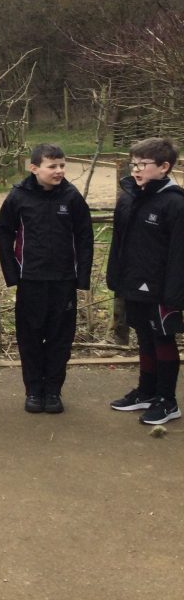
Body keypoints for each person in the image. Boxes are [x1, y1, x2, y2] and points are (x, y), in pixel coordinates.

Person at [0, 143, 93, 414]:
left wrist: (82, 278)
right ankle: (33, 391)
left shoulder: (72, 198)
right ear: (34, 168)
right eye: (52, 166)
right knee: (30, 337)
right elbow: (5, 234)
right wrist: (12, 274)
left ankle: (53, 390)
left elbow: (85, 237)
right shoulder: (18, 197)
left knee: (60, 339)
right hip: (31, 280)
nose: (59, 171)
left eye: (62, 165)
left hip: (64, 282)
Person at [107, 138, 184, 425]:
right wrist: (115, 276)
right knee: (144, 336)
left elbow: (179, 253)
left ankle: (167, 400)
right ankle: (147, 392)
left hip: (163, 290)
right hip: (133, 284)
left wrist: (175, 294)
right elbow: (119, 243)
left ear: (164, 167)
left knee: (162, 339)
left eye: (143, 164)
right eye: (133, 163)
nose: (136, 169)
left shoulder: (175, 203)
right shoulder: (129, 197)